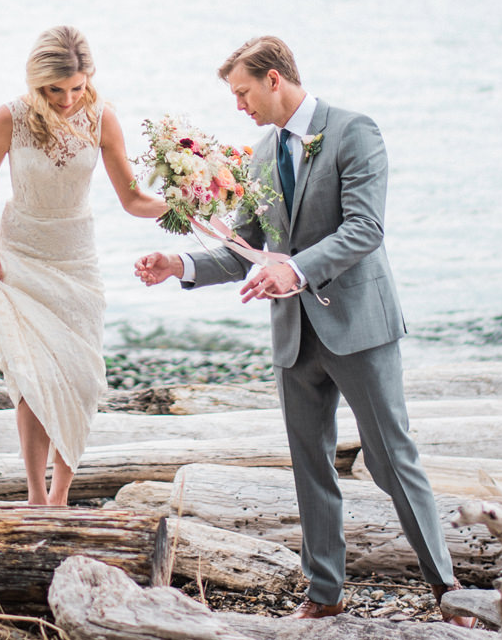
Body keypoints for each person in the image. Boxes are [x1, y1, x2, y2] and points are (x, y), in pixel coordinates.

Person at [134, 36, 469, 623]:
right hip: (294, 335)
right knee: (309, 464)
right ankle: (324, 594)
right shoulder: (262, 154)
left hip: (358, 325)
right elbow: (247, 253)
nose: (239, 105)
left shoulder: (354, 131)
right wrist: (178, 265)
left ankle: (448, 590)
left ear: (273, 79)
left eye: (242, 92)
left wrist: (297, 268)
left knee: (392, 459)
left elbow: (366, 229)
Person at [0, 25, 168, 506]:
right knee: (32, 374)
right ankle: (37, 498)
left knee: (81, 376)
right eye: (55, 89)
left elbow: (132, 198)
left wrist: (184, 205)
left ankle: (62, 494)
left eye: (76, 88)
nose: (66, 99)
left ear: (90, 79)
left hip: (76, 257)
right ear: (37, 82)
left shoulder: (103, 117)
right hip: (21, 253)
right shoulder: (11, 117)